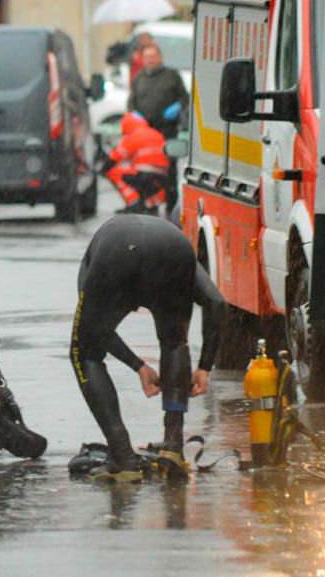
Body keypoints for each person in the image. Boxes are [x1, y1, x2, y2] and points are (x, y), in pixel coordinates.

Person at [70, 215, 224, 482]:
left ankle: (123, 458)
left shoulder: (95, 261)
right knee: (175, 341)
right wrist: (204, 367)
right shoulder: (177, 247)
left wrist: (136, 365)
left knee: (83, 353)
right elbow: (217, 303)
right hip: (173, 249)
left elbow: (95, 330)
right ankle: (173, 448)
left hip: (116, 251)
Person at [101, 111, 170, 214]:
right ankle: (150, 205)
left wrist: (102, 169)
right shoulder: (156, 134)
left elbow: (115, 157)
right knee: (153, 187)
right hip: (161, 177)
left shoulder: (133, 136)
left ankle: (134, 203)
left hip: (143, 176)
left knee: (113, 172)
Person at [127, 44, 188, 139]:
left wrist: (178, 106)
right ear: (143, 59)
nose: (150, 60)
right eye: (147, 57)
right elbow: (131, 102)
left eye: (153, 56)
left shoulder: (172, 75)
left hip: (167, 131)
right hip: (144, 132)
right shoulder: (139, 78)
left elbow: (185, 98)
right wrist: (134, 114)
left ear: (160, 58)